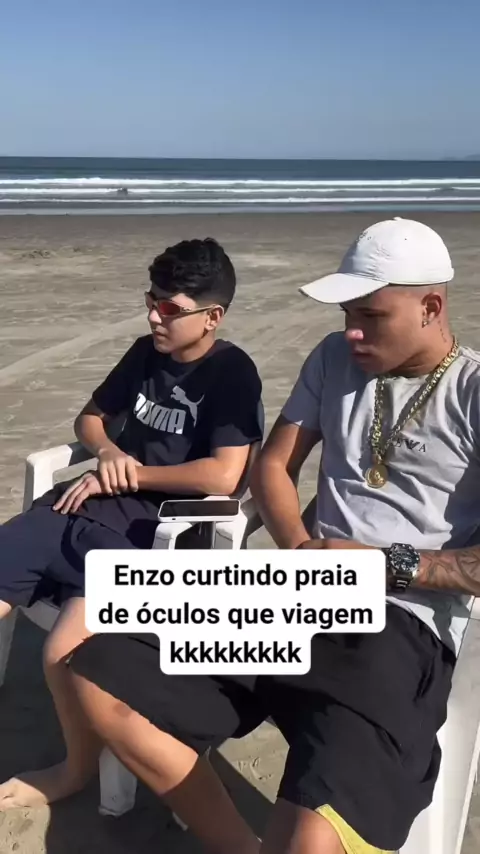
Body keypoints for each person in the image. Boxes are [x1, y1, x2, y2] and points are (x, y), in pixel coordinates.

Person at [66, 218, 480, 854]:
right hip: (296, 588)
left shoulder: (471, 391)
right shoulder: (333, 357)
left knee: (312, 839)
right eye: (347, 313)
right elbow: (272, 468)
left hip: (399, 623)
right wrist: (304, 553)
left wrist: (385, 565)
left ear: (430, 306)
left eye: (371, 315)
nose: (352, 331)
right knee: (99, 676)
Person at [0, 237, 263, 810]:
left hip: (151, 537)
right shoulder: (146, 353)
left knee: (61, 653)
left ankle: (73, 772)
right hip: (74, 509)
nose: (154, 316)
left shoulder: (231, 374)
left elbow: (225, 475)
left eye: (171, 308)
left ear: (212, 316)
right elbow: (91, 418)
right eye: (151, 301)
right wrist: (107, 453)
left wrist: (133, 475)